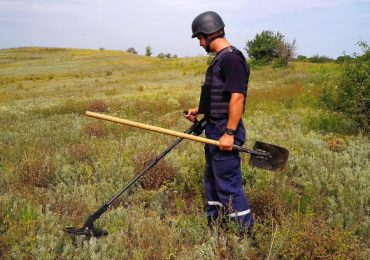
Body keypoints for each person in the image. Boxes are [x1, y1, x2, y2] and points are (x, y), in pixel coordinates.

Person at [185, 11, 254, 236]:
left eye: (199, 38)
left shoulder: (232, 58)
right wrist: (200, 110)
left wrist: (230, 133)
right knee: (213, 180)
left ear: (206, 34)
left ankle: (245, 236)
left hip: (225, 128)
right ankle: (215, 224)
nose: (199, 43)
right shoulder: (220, 59)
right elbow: (220, 96)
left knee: (228, 183)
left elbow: (237, 97)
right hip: (214, 127)